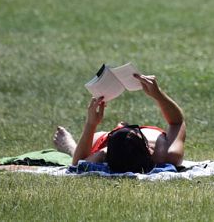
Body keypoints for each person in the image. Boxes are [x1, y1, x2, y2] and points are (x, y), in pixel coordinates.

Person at [52, 73, 186, 173]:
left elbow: (77, 165)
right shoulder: (167, 154)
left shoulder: (103, 153)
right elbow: (177, 122)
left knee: (83, 153)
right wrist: (158, 95)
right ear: (147, 147)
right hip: (122, 146)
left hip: (108, 144)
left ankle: (72, 148)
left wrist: (91, 124)